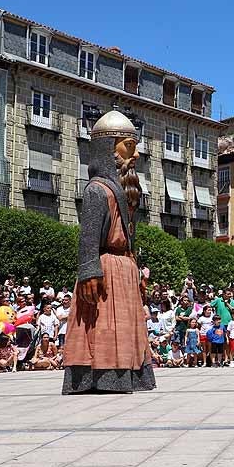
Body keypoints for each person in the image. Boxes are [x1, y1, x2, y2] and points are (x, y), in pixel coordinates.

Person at [62, 110, 156, 394]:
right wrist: (89, 269)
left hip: (123, 268)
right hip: (105, 268)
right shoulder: (96, 190)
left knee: (124, 327)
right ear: (108, 148)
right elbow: (88, 236)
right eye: (129, 145)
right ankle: (99, 377)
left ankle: (128, 375)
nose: (136, 154)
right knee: (103, 325)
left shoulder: (124, 190)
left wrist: (136, 269)